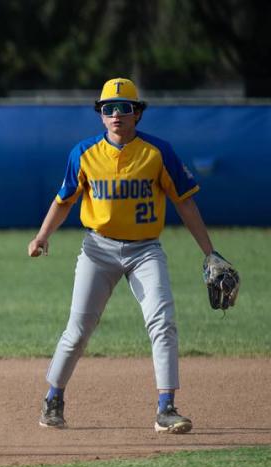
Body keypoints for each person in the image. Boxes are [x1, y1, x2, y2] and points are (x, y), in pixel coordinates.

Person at [28, 78, 228, 434]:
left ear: (137, 113)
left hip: (145, 250)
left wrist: (209, 252)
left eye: (124, 107)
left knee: (162, 321)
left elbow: (185, 202)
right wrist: (43, 236)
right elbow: (64, 200)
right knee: (78, 329)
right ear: (101, 116)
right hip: (97, 248)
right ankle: (53, 398)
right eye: (108, 108)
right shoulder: (84, 153)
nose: (116, 114)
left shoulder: (158, 152)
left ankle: (166, 407)